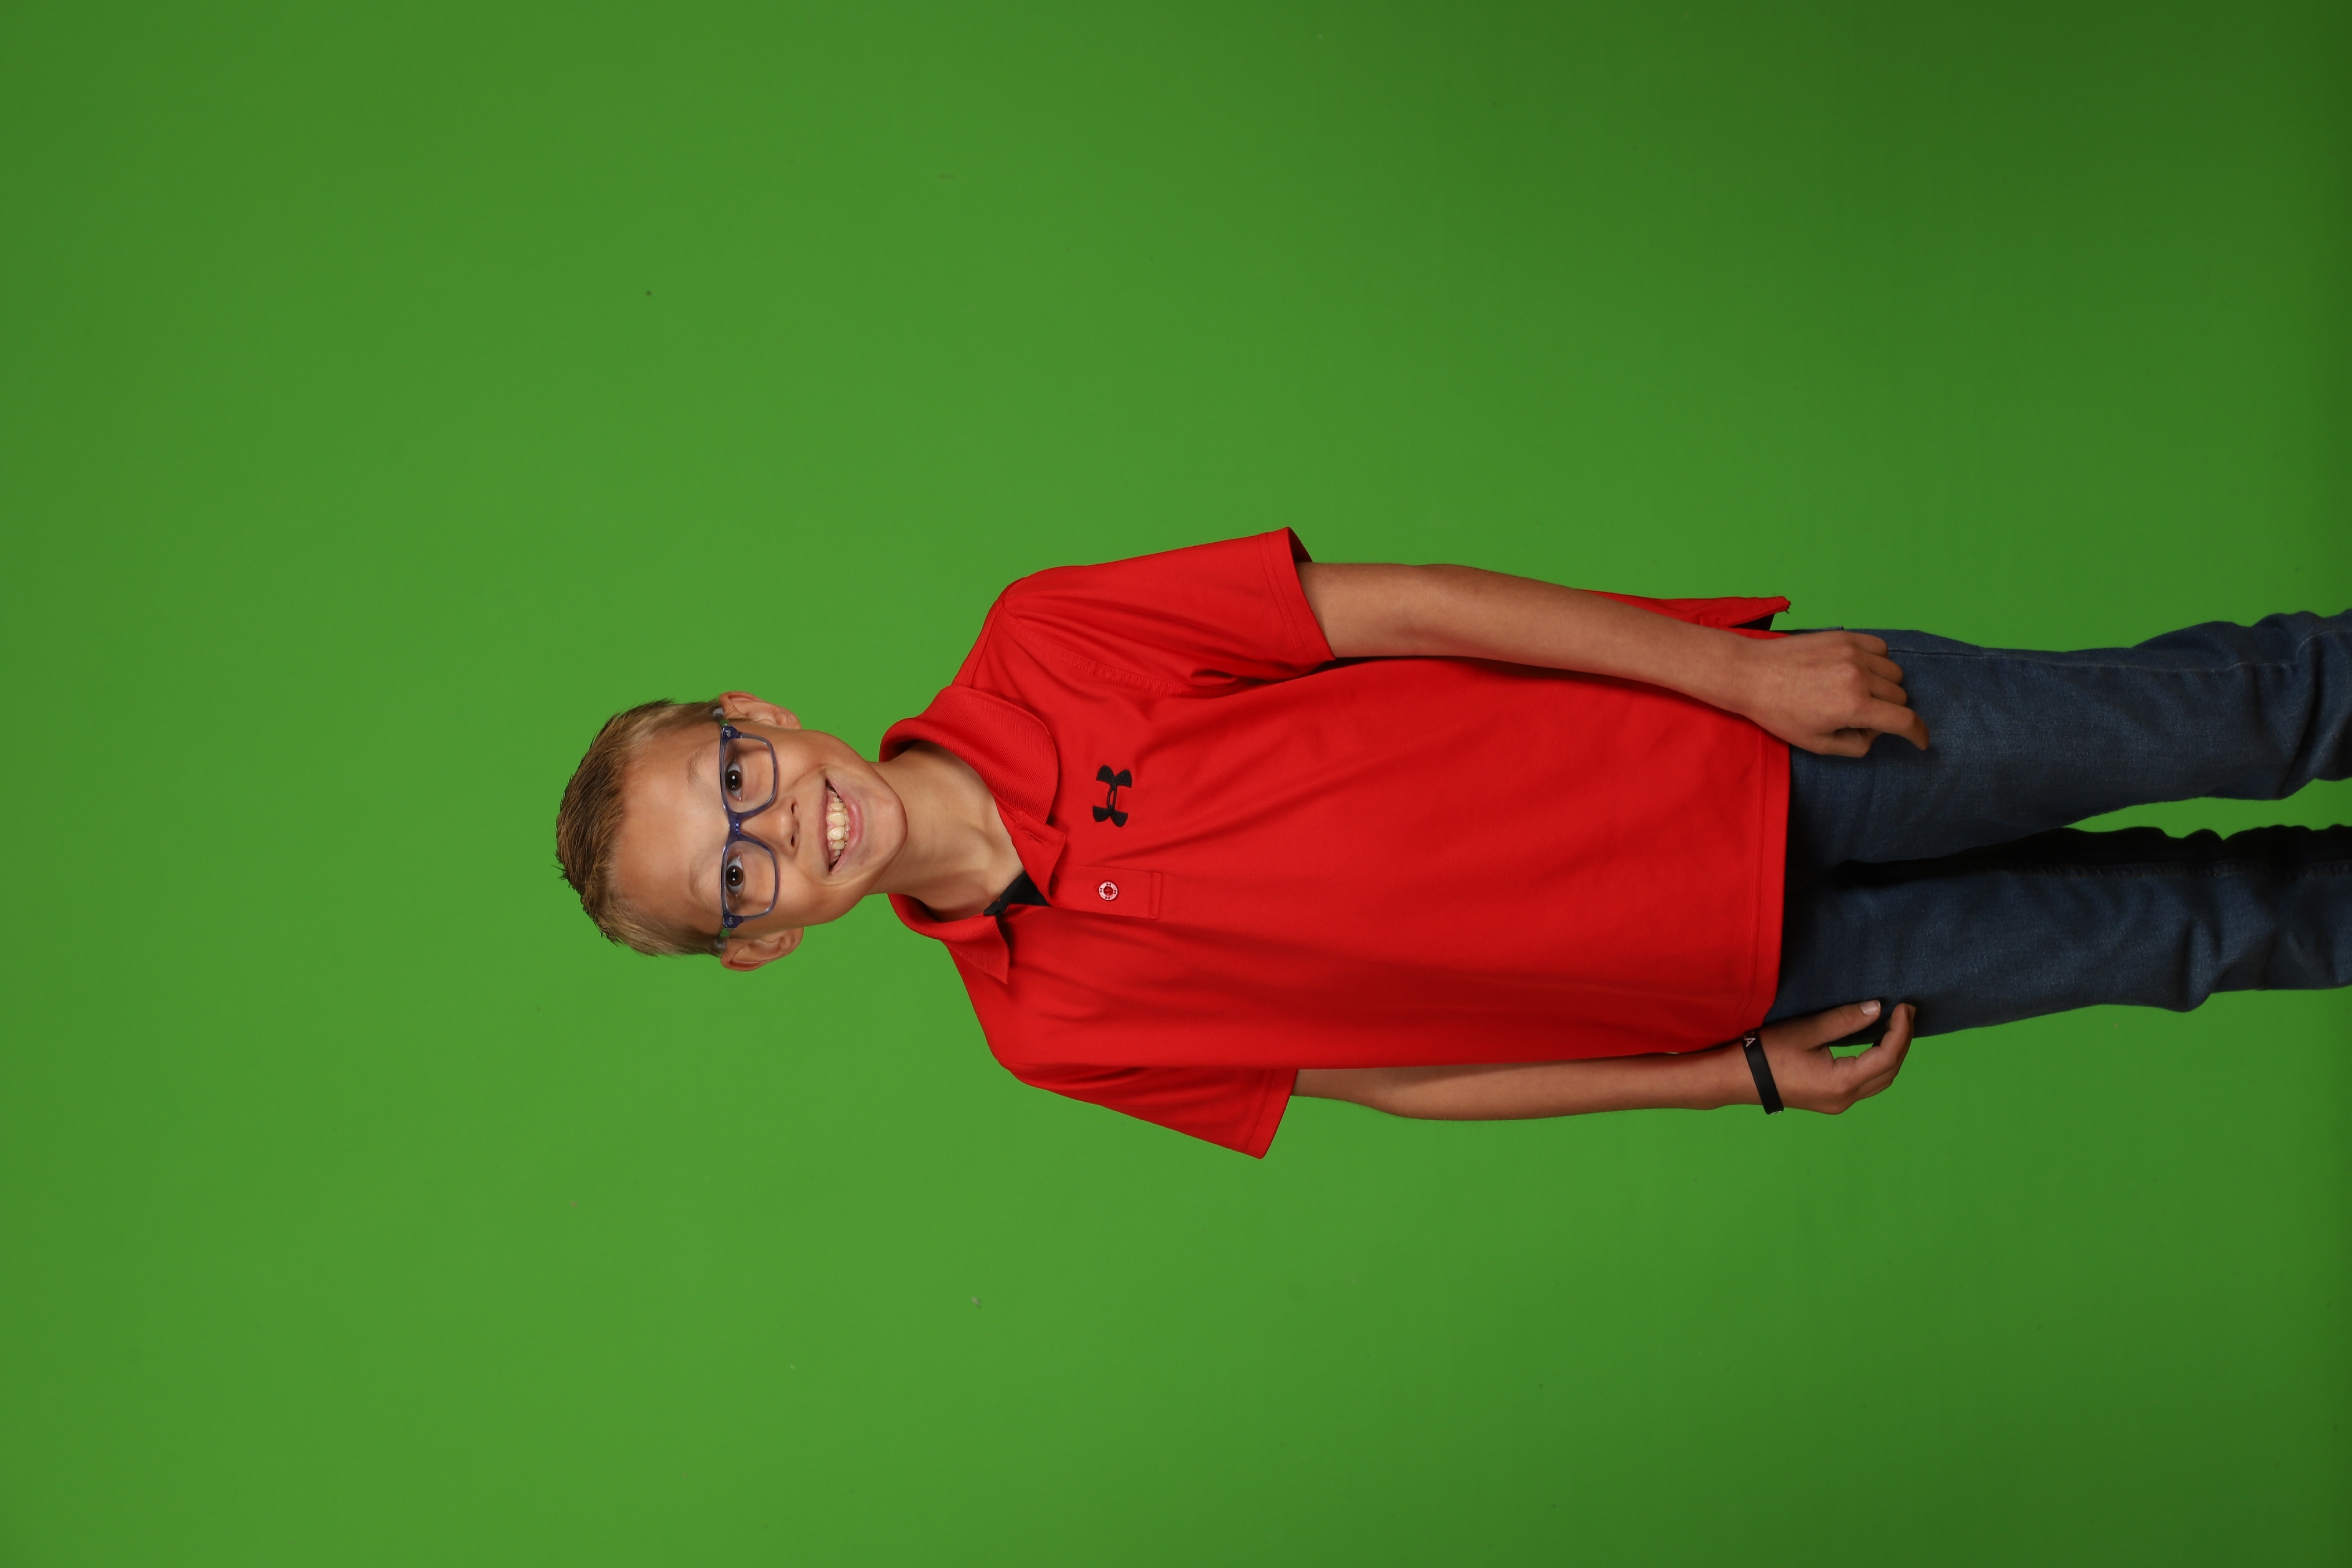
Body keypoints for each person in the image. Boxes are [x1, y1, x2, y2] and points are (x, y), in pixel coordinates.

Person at [554, 531, 2352, 1156]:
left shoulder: (1046, 642)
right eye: (736, 874)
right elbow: (1399, 1082)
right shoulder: (1046, 1031)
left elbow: (1403, 607)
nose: (779, 826)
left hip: (1754, 753)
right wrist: (1730, 1079)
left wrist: (1740, 672)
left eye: (735, 777)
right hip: (1745, 977)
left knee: (2242, 716)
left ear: (760, 714)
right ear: (763, 940)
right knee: (2197, 935)